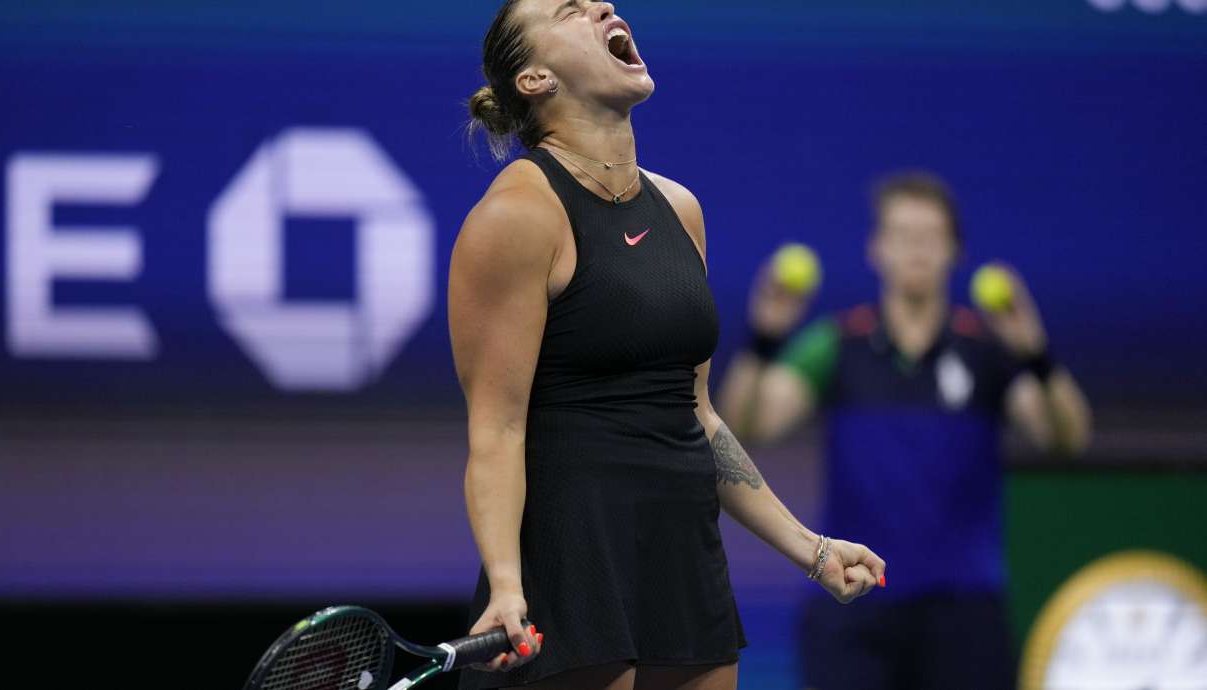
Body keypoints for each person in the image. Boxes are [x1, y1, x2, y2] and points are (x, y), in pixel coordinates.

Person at [448, 2, 888, 689]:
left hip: (682, 553)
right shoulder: (516, 216)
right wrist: (507, 585)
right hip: (572, 557)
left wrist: (810, 548)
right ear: (534, 79)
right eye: (570, 10)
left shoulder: (681, 209)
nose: (603, 6)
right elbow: (497, 429)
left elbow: (697, 415)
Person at [717, 172, 1093, 690]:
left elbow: (1066, 437)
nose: (916, 249)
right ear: (877, 249)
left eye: (930, 236)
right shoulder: (835, 345)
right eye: (902, 235)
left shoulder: (985, 352)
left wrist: (1036, 354)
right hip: (853, 599)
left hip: (965, 613)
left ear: (954, 251)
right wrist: (764, 337)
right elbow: (748, 424)